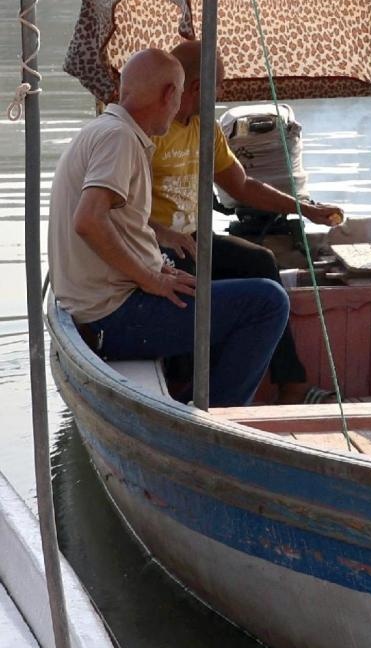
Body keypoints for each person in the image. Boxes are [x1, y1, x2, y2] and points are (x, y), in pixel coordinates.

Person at [47, 47, 288, 408]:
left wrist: (158, 262)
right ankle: (217, 415)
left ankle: (190, 402)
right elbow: (89, 220)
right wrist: (151, 279)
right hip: (113, 316)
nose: (178, 110)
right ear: (170, 94)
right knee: (268, 302)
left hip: (103, 305)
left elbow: (117, 221)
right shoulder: (120, 139)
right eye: (178, 97)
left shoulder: (106, 130)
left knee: (215, 281)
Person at [150, 40, 344, 403]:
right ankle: (183, 390)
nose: (222, 94)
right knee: (188, 274)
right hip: (153, 245)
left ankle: (291, 383)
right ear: (196, 87)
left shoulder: (205, 127)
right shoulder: (151, 128)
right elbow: (120, 205)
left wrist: (305, 208)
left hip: (194, 238)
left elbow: (241, 185)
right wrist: (160, 233)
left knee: (260, 260)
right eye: (219, 85)